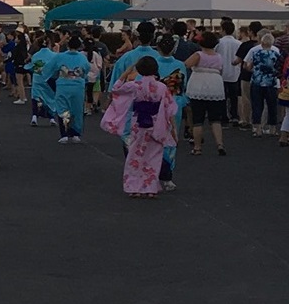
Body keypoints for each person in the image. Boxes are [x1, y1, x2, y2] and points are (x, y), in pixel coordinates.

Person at [102, 56, 175, 197]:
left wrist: (126, 72)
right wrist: (172, 128)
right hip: (156, 122)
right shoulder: (162, 87)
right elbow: (168, 107)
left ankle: (134, 187)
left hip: (138, 122)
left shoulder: (135, 85)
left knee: (135, 153)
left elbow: (116, 89)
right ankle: (150, 188)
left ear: (140, 70)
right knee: (154, 155)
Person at [182, 32, 228, 157]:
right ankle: (220, 144)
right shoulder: (219, 56)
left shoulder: (198, 55)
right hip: (215, 85)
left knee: (198, 119)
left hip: (199, 84)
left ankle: (197, 147)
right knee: (215, 119)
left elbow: (186, 64)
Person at [47, 36, 91, 143]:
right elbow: (86, 70)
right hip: (78, 86)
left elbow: (50, 68)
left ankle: (64, 134)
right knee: (77, 109)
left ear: (67, 45)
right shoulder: (82, 58)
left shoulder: (60, 56)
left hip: (63, 85)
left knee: (63, 108)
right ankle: (75, 133)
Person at [244, 33, 283, 136]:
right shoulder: (276, 54)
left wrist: (255, 71)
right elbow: (279, 69)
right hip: (271, 82)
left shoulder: (256, 53)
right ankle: (272, 129)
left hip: (257, 81)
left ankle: (257, 129)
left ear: (261, 42)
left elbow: (248, 66)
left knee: (257, 105)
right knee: (272, 106)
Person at [215, 19, 242, 127]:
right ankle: (234, 115)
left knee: (222, 96)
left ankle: (223, 117)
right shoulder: (238, 43)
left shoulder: (219, 43)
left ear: (223, 30)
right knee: (234, 96)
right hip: (235, 72)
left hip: (221, 72)